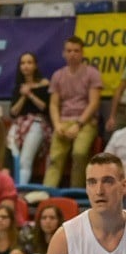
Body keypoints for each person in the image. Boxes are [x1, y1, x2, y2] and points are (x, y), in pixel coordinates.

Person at [46, 35, 103, 188]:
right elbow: (53, 104)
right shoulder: (57, 75)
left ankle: (76, 192)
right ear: (64, 53)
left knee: (79, 153)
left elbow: (94, 103)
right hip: (63, 121)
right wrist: (57, 124)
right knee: (54, 157)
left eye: (76, 51)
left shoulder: (92, 73)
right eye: (69, 51)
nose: (72, 54)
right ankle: (47, 193)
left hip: (86, 122)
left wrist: (78, 124)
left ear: (82, 53)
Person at [8, 51, 52, 185]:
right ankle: (12, 187)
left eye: (29, 62)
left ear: (35, 66)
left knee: (25, 160)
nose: (26, 66)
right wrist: (23, 95)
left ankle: (21, 191)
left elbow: (45, 108)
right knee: (13, 156)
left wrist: (30, 94)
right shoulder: (18, 88)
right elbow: (13, 112)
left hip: (37, 123)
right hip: (19, 124)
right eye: (23, 63)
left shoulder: (44, 84)